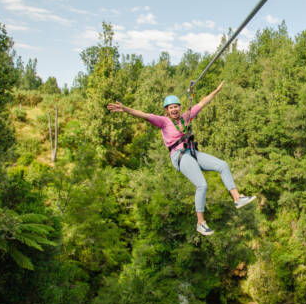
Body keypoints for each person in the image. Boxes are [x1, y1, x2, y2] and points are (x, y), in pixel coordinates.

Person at [106, 80, 256, 235]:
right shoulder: (163, 122)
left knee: (223, 165)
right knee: (202, 185)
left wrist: (216, 91)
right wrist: (125, 109)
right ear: (167, 110)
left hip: (192, 152)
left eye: (176, 106)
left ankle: (237, 198)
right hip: (179, 156)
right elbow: (144, 115)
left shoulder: (186, 117)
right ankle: (200, 223)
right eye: (171, 108)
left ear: (180, 107)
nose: (174, 109)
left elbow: (202, 103)